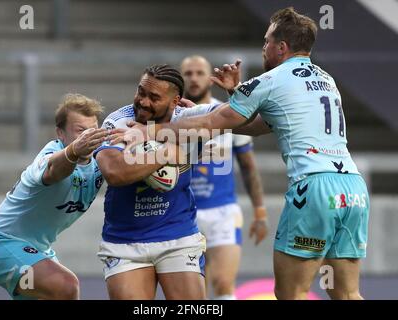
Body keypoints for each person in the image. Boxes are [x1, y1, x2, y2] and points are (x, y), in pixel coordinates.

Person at [111, 8, 370, 300]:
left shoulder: (270, 80)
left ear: (281, 47)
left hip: (314, 190)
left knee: (291, 293)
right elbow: (258, 127)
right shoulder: (327, 80)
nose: (263, 47)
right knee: (347, 293)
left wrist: (152, 131)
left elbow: (214, 121)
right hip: (353, 188)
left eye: (267, 41)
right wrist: (235, 96)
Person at [93, 64, 235, 300]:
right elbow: (114, 173)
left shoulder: (190, 117)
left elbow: (250, 120)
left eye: (154, 97)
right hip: (126, 241)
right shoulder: (119, 122)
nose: (143, 102)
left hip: (178, 235)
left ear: (175, 101)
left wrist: (235, 93)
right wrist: (168, 154)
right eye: (141, 92)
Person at [0, 93, 107, 300]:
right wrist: (73, 151)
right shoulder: (51, 155)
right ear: (60, 133)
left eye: (93, 130)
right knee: (65, 286)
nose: (88, 137)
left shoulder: (100, 159)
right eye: (80, 131)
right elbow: (54, 171)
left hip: (37, 250)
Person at [181, 55, 268, 300]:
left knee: (222, 283)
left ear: (210, 78)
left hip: (223, 212)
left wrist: (260, 212)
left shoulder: (228, 114)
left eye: (200, 72)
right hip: (184, 214)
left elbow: (248, 166)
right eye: (188, 73)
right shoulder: (174, 117)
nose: (194, 78)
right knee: (194, 292)